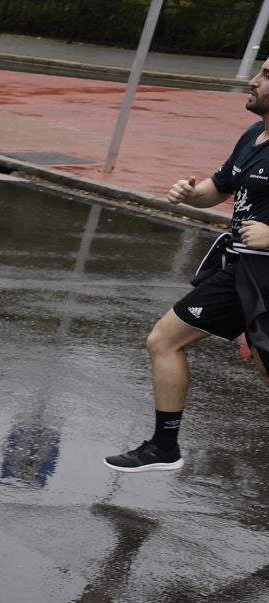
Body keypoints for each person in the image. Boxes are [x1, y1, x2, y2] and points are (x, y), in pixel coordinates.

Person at [110, 57, 269, 473]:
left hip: (266, 275)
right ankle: (164, 447)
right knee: (164, 340)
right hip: (241, 271)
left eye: (267, 75)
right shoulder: (254, 135)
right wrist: (190, 193)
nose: (252, 81)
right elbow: (218, 189)